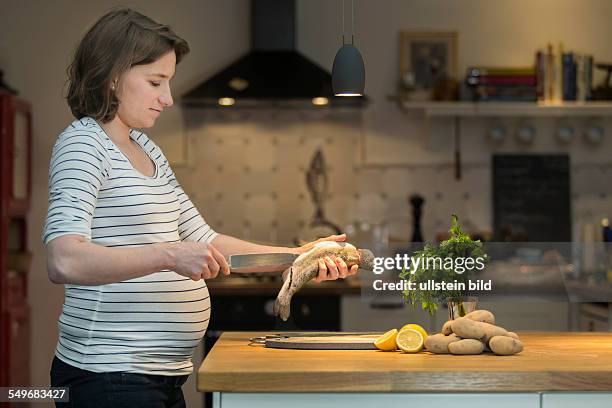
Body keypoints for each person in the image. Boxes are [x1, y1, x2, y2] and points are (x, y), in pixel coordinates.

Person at [43, 8, 358, 408]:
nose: (168, 98)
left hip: (159, 377)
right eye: (156, 82)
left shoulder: (146, 150)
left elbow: (205, 241)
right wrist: (170, 255)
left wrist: (301, 257)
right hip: (109, 375)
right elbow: (64, 261)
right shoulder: (83, 146)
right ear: (113, 76)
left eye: (169, 82)